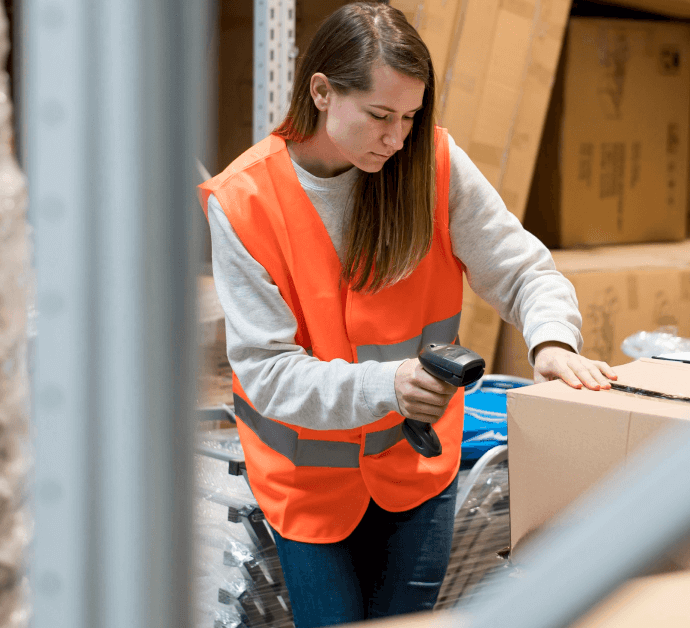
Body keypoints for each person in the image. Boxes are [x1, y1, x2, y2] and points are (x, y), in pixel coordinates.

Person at [199, 3, 617, 626]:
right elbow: (267, 372)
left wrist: (552, 341)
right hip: (308, 487)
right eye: (379, 116)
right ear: (321, 92)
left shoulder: (432, 164)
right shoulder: (244, 202)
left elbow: (525, 270)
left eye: (410, 117)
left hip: (416, 471)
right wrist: (389, 385)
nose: (397, 139)